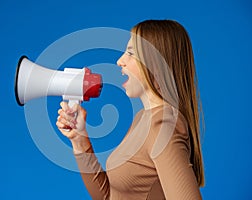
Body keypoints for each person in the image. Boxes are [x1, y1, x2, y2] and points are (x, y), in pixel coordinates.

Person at [56, 19, 205, 200]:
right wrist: (80, 141)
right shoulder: (144, 118)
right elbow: (110, 196)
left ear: (156, 64)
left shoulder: (163, 124)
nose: (120, 61)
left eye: (131, 53)